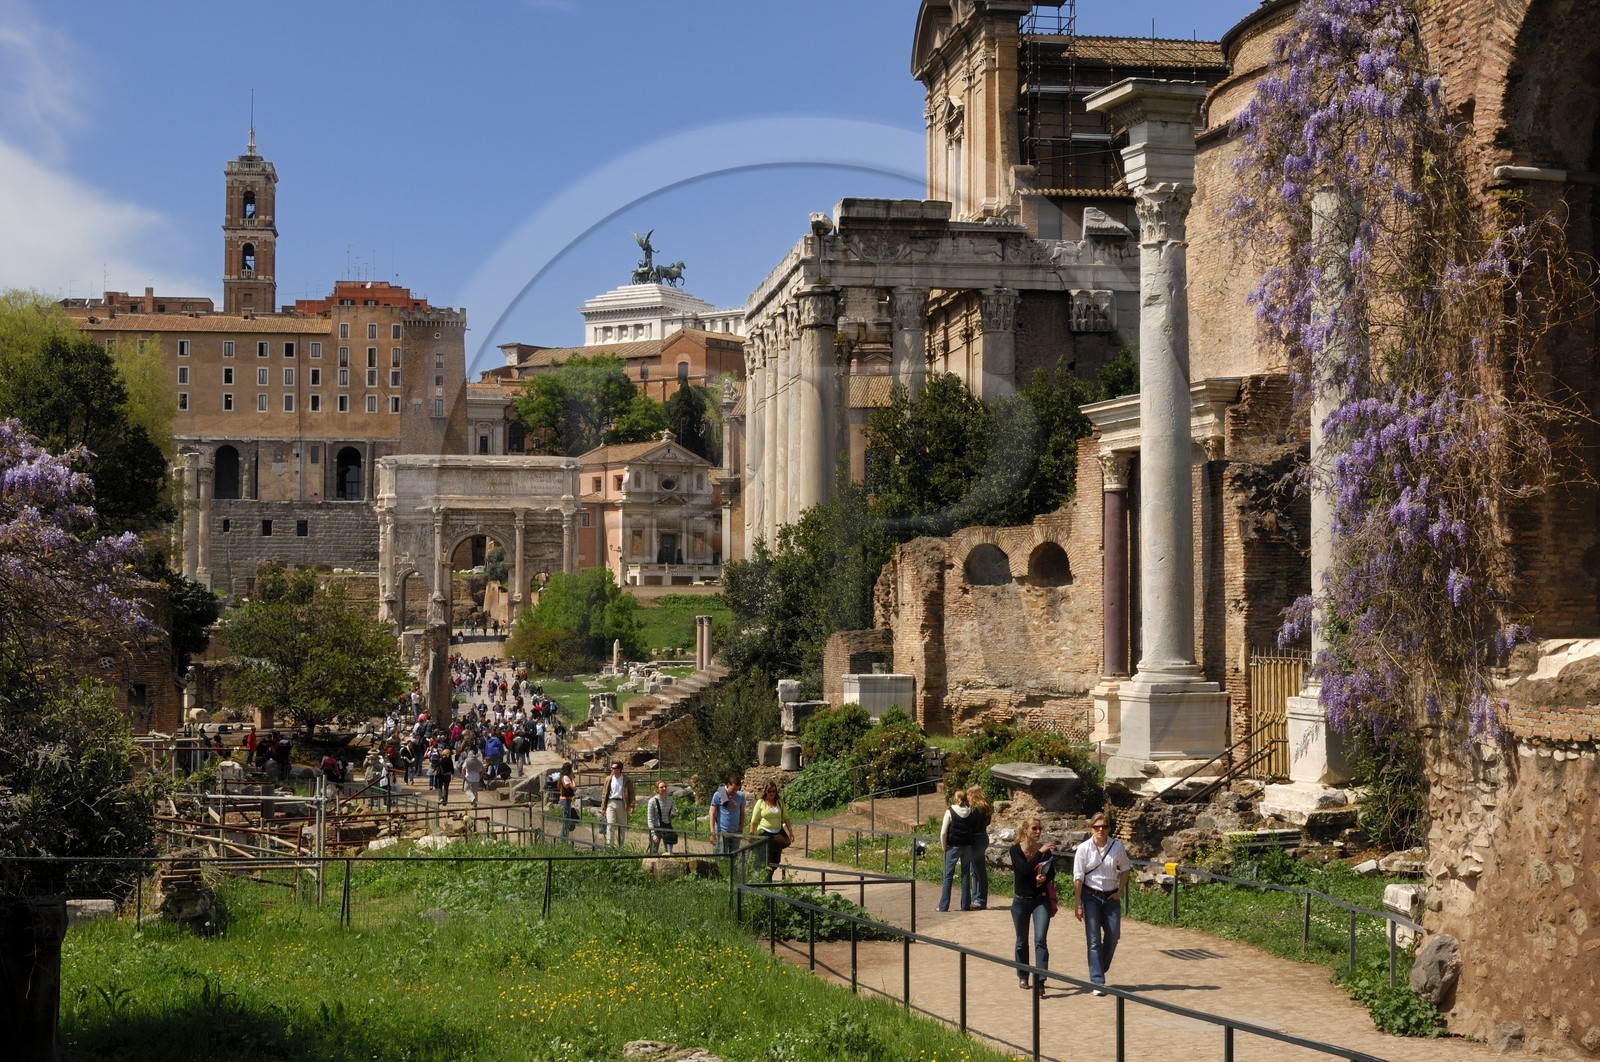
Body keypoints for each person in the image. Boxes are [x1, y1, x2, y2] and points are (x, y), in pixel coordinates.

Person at [1073, 812, 1132, 995]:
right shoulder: (1083, 849)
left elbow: (1125, 868)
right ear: (1091, 828)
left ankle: (1099, 966)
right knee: (1093, 939)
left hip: (1110, 896)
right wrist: (1078, 903)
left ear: (1108, 828)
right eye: (1097, 827)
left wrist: (1120, 890)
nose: (1100, 830)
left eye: (1104, 827)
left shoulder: (1117, 847)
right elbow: (1078, 876)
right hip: (1090, 896)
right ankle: (1097, 980)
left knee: (1113, 936)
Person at [1010, 815, 1056, 992]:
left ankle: (1040, 980)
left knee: (1040, 940)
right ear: (1025, 831)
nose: (1038, 832)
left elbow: (1051, 873)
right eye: (1034, 829)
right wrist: (1040, 852)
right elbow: (1023, 871)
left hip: (1040, 899)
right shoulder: (1015, 850)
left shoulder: (1046, 852)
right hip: (1020, 901)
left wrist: (1044, 877)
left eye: (1039, 829)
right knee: (1021, 941)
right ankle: (1023, 975)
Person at [937, 788, 979, 912]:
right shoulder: (970, 812)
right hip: (967, 846)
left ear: (955, 798)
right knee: (965, 874)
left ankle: (943, 906)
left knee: (948, 875)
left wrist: (944, 846)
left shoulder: (950, 811)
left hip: (953, 846)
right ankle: (965, 905)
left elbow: (943, 832)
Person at [746, 781, 793, 880]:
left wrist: (790, 831)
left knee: (776, 860)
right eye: (769, 791)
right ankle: (765, 879)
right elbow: (754, 820)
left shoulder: (779, 802)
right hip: (764, 834)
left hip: (777, 834)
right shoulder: (761, 803)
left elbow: (786, 817)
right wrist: (751, 834)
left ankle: (769, 876)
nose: (771, 793)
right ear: (765, 792)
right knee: (766, 859)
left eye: (773, 791)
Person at [965, 785, 993, 910]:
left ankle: (980, 899)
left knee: (979, 871)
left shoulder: (975, 810)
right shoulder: (986, 808)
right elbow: (988, 823)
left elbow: (971, 826)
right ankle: (975, 898)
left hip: (976, 839)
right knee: (975, 870)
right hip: (983, 837)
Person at [708, 773, 746, 856]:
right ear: (728, 785)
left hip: (735, 832)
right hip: (722, 833)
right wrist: (712, 832)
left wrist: (741, 829)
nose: (735, 792)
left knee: (734, 857)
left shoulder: (740, 796)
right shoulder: (718, 794)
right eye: (733, 789)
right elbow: (712, 813)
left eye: (737, 790)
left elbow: (742, 813)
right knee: (722, 857)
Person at [602, 760, 635, 847]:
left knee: (622, 826)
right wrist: (603, 807)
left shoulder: (626, 780)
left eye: (614, 768)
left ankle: (620, 846)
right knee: (610, 824)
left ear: (619, 769)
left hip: (621, 803)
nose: (612, 769)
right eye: (611, 768)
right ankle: (610, 846)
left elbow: (631, 793)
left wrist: (632, 805)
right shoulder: (608, 779)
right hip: (610, 802)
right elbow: (604, 793)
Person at [646, 780, 677, 855]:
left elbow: (674, 807)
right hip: (656, 828)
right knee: (654, 852)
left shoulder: (670, 799)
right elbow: (650, 819)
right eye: (661, 787)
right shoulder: (652, 801)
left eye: (665, 787)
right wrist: (653, 834)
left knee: (669, 852)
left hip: (667, 826)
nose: (664, 789)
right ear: (657, 789)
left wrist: (673, 812)